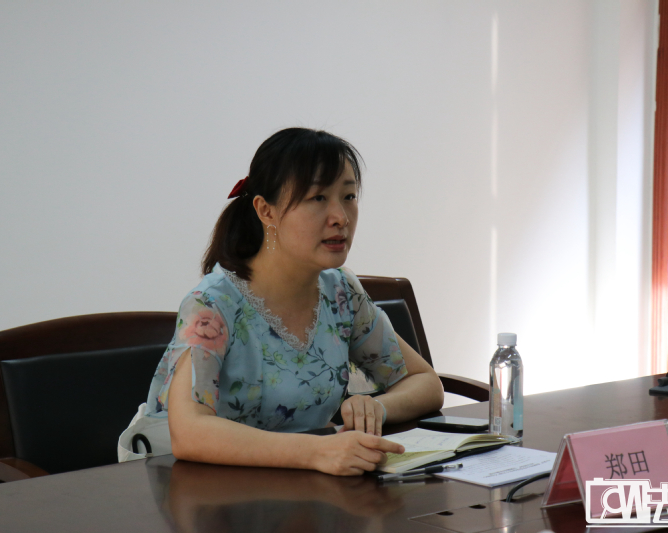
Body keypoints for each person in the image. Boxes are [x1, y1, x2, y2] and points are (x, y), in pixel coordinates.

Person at [145, 128, 444, 476]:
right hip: (201, 486)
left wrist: (377, 407)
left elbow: (425, 382)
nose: (341, 217)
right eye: (318, 198)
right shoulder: (212, 305)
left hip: (301, 482)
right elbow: (189, 433)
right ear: (265, 211)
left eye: (348, 196)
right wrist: (316, 452)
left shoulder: (341, 292)